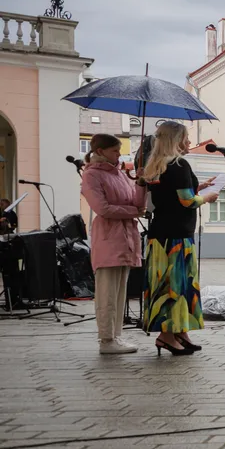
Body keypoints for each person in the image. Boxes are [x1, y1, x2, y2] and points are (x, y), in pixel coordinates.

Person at [140, 121, 217, 355]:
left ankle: (180, 332)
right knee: (176, 287)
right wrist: (207, 197)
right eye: (186, 138)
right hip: (176, 238)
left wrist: (198, 186)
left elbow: (171, 196)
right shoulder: (179, 165)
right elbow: (186, 201)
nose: (190, 142)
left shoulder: (157, 165)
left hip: (160, 236)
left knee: (168, 286)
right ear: (176, 140)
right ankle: (166, 336)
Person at [80, 134, 145, 355]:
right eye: (115, 151)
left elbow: (138, 204)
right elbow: (103, 208)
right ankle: (106, 339)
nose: (119, 154)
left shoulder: (120, 173)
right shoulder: (91, 176)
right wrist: (133, 212)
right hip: (108, 238)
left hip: (126, 237)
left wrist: (141, 184)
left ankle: (115, 336)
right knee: (107, 292)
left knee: (120, 291)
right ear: (100, 151)